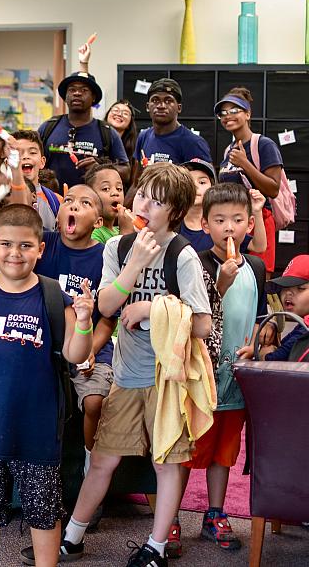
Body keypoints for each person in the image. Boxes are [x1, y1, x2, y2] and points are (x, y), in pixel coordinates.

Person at [44, 163, 211, 567]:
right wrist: (134, 263)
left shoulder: (182, 255)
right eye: (142, 197)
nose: (145, 206)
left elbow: (202, 323)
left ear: (174, 211)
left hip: (169, 377)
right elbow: (104, 306)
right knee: (102, 458)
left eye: (157, 202)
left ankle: (155, 547)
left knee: (165, 462)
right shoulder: (116, 247)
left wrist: (151, 308)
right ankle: (73, 538)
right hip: (127, 372)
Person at [0, 204, 94, 567]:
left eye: (25, 246)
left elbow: (75, 353)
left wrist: (84, 320)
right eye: (6, 244)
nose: (14, 253)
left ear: (40, 249)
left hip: (37, 429)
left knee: (42, 510)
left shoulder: (54, 297)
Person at [167, 183, 267, 559]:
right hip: (201, 374)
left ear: (250, 224)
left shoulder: (256, 265)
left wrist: (257, 342)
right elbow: (194, 314)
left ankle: (214, 513)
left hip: (237, 375)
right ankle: (171, 517)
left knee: (225, 449)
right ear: (204, 225)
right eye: (220, 220)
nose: (229, 227)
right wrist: (220, 283)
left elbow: (258, 316)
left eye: (237, 220)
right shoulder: (197, 262)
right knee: (188, 447)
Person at [32, 183, 117, 462]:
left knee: (95, 400)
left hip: (92, 345)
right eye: (68, 201)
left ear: (99, 222)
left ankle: (91, 463)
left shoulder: (105, 257)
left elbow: (107, 319)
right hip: (43, 344)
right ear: (58, 215)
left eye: (85, 203)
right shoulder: (43, 245)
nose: (74, 206)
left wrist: (90, 348)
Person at [215, 86, 284, 275]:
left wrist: (245, 163)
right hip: (233, 222)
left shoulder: (263, 144)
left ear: (247, 114)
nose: (227, 116)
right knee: (234, 274)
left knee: (258, 276)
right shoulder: (228, 150)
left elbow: (273, 189)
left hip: (259, 220)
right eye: (223, 113)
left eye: (234, 110)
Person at [37, 72, 128, 189]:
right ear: (65, 96)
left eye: (84, 90)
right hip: (50, 201)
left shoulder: (107, 132)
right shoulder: (48, 127)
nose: (77, 93)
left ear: (94, 97)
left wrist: (99, 169)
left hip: (91, 202)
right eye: (72, 90)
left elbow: (126, 171)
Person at [178, 158, 266, 255]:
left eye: (202, 182)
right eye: (188, 182)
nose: (195, 186)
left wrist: (257, 211)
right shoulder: (173, 224)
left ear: (213, 187)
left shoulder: (223, 223)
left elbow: (258, 247)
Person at [134, 79, 212, 170]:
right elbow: (137, 180)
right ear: (147, 107)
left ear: (179, 108)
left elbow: (206, 182)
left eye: (168, 101)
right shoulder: (143, 136)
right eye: (155, 100)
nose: (161, 106)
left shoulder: (193, 142)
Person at [247, 255, 309, 361]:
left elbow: (273, 359)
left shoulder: (305, 330)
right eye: (285, 287)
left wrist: (265, 355)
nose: (288, 293)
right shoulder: (301, 326)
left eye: (300, 288)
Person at [13, 130, 62, 231]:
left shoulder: (56, 201)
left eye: (32, 152)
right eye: (18, 153)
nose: (26, 156)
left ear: (42, 162)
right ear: (7, 161)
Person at [84, 163, 130, 244]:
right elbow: (112, 257)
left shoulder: (118, 230)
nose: (115, 193)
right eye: (106, 189)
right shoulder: (94, 234)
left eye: (119, 188)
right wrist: (125, 233)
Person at [105, 100, 139, 173]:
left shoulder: (135, 146)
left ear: (130, 124)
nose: (119, 114)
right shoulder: (96, 135)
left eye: (125, 113)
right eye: (116, 110)